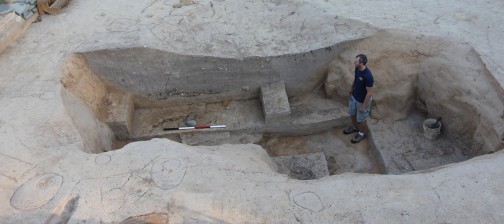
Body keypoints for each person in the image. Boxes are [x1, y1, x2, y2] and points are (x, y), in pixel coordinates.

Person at [343, 54, 374, 144]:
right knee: (352, 113)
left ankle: (361, 133)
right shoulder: (357, 69)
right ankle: (354, 127)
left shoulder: (368, 76)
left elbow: (369, 93)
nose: (354, 62)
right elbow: (356, 79)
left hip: (362, 101)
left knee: (361, 120)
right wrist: (352, 88)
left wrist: (363, 106)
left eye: (356, 61)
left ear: (361, 63)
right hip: (354, 97)